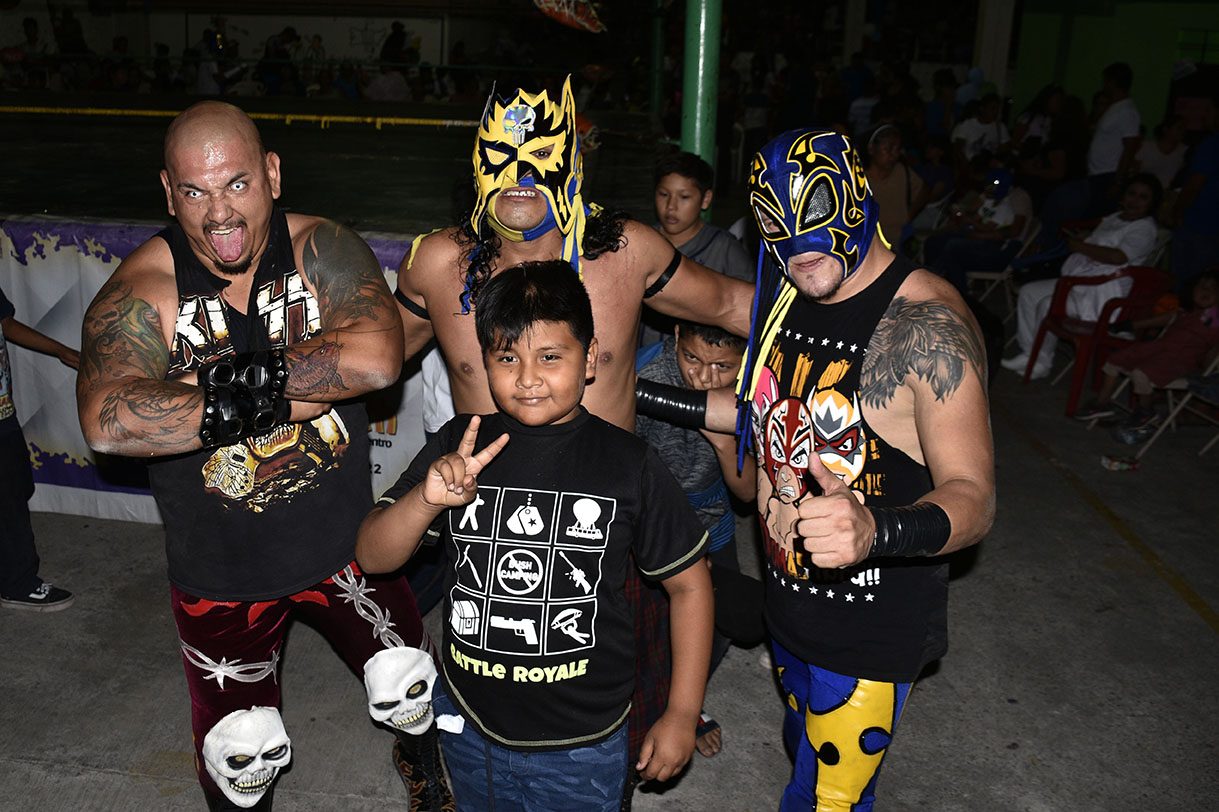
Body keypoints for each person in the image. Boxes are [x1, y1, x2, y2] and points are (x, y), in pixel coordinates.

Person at [75, 101, 449, 812]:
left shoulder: (322, 249)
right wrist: (299, 384)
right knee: (238, 762)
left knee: (410, 689)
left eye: (237, 184)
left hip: (346, 548)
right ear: (167, 192)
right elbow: (107, 421)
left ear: (271, 174)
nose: (219, 213)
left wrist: (197, 388)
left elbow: (374, 361)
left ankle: (423, 761)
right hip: (221, 576)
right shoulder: (142, 290)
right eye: (195, 191)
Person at [393, 77, 752, 789]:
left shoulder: (629, 253)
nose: (520, 176)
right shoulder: (437, 262)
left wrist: (869, 320)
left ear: (573, 160)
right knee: (475, 712)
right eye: (502, 156)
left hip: (604, 529)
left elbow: (735, 305)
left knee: (623, 720)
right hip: (484, 527)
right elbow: (369, 355)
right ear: (474, 161)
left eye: (539, 158)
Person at [640, 129, 994, 809]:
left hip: (866, 632)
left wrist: (875, 532)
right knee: (800, 751)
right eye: (777, 221)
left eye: (818, 210)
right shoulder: (786, 301)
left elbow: (974, 498)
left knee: (822, 799)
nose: (800, 242)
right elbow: (690, 296)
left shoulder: (925, 324)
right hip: (790, 610)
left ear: (859, 197)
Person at [358, 261, 713, 811]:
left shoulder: (629, 464)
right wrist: (425, 500)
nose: (527, 378)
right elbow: (372, 557)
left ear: (590, 358)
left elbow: (690, 586)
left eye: (551, 356)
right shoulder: (459, 444)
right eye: (507, 358)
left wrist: (684, 712)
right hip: (467, 726)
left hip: (584, 741)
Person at [635, 317, 760, 758]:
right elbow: (624, 482)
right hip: (652, 522)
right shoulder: (645, 380)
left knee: (730, 624)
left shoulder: (757, 386)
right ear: (673, 338)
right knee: (650, 628)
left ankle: (685, 700)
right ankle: (660, 705)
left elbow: (748, 493)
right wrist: (678, 552)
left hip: (715, 519)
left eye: (723, 366)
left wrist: (726, 443)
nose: (704, 377)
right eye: (692, 358)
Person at [1003, 173, 1161, 380]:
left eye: (1143, 197)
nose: (1135, 200)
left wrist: (1082, 246)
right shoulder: (1114, 218)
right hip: (1081, 280)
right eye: (1132, 194)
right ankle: (1028, 352)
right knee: (1029, 292)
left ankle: (1042, 362)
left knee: (1049, 304)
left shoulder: (1145, 228)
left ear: (1152, 203)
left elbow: (1118, 256)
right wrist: (1084, 241)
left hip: (1103, 291)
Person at [1, 284, 77, 611]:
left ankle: (16, 581)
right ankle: (18, 582)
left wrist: (60, 350)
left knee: (14, 493)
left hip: (3, 414)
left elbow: (4, 323)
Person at [1075, 271, 1219, 442]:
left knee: (1141, 373)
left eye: (1214, 289)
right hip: (1158, 348)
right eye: (1202, 287)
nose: (1206, 292)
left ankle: (1145, 410)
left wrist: (1209, 374)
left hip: (1180, 359)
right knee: (1115, 360)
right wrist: (1131, 325)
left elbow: (1212, 352)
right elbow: (1168, 318)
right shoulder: (1184, 312)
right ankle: (1102, 402)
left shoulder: (1215, 318)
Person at [645, 151, 753, 345]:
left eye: (684, 197)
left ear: (705, 199)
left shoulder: (725, 247)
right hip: (645, 360)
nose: (671, 206)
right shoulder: (644, 243)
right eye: (663, 194)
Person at [864, 124, 925, 250]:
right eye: (888, 148)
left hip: (900, 241)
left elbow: (923, 191)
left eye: (897, 149)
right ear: (871, 148)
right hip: (870, 245)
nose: (894, 154)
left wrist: (909, 214)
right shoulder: (860, 179)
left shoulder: (902, 172)